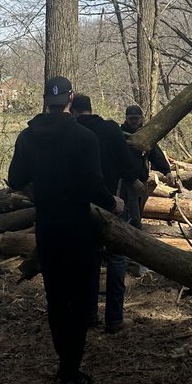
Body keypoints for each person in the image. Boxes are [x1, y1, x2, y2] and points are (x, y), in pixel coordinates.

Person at [8, 77, 123, 384]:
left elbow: (15, 178)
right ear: (71, 98)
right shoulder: (84, 138)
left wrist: (40, 190)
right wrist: (114, 202)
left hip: (48, 228)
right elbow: (92, 186)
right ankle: (71, 372)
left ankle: (65, 365)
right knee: (83, 298)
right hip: (79, 230)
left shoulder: (28, 136)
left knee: (57, 299)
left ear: (46, 99)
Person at [70, 94, 142, 333]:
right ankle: (114, 318)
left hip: (79, 207)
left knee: (86, 259)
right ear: (91, 109)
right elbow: (125, 162)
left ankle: (88, 315)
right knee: (116, 257)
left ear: (73, 111)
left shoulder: (69, 132)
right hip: (112, 203)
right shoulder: (110, 129)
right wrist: (134, 179)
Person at [120, 104, 171, 274]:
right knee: (131, 221)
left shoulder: (146, 135)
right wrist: (132, 179)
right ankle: (132, 262)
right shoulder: (121, 136)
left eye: (136, 118)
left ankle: (128, 259)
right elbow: (117, 162)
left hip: (141, 184)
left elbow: (155, 154)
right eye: (131, 119)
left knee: (136, 217)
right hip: (125, 185)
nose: (134, 122)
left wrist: (166, 170)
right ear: (126, 119)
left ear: (141, 118)